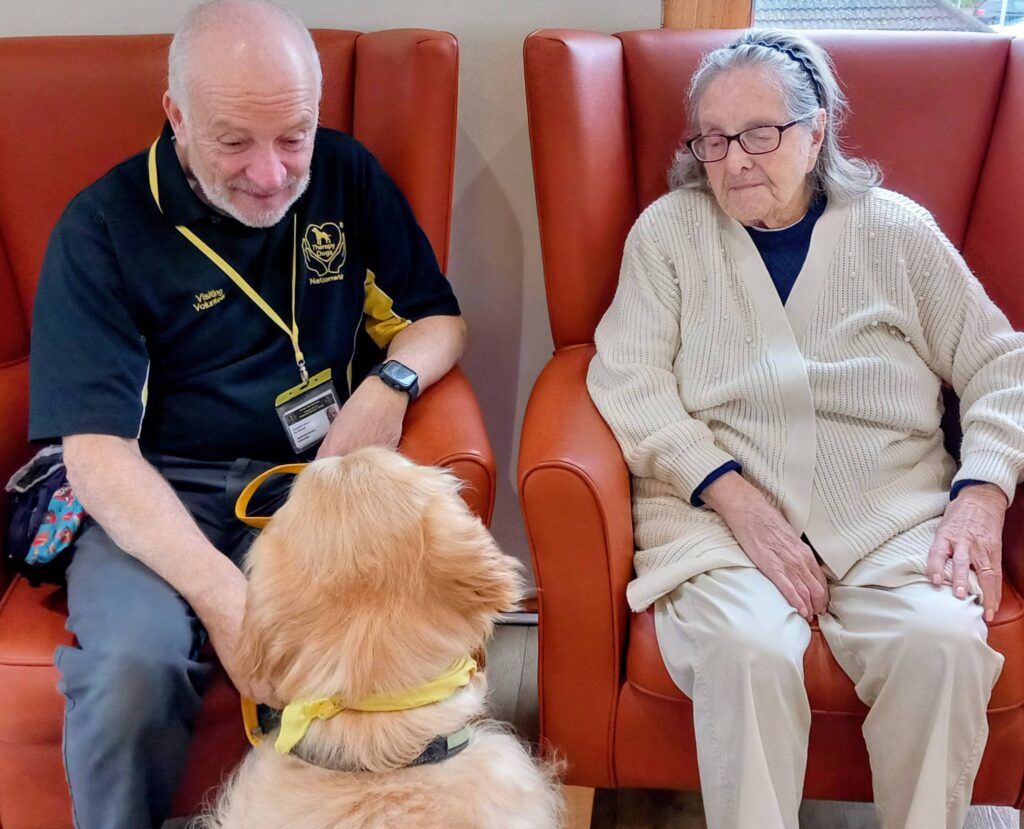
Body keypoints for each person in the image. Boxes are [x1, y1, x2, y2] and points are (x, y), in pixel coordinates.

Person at [27, 1, 466, 826]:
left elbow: (439, 319)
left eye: (293, 135)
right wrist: (228, 601)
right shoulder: (102, 227)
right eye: (234, 141)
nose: (271, 174)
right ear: (177, 117)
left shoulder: (345, 173)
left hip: (313, 484)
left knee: (381, 648)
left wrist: (390, 384)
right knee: (131, 673)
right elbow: (98, 454)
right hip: (160, 494)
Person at [588, 28, 1024, 829]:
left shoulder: (896, 230)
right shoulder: (669, 236)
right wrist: (730, 494)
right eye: (713, 139)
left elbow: (1003, 361)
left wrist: (983, 491)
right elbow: (628, 378)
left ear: (817, 130)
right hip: (716, 523)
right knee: (744, 651)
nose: (735, 160)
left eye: (761, 133)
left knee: (943, 645)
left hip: (890, 518)